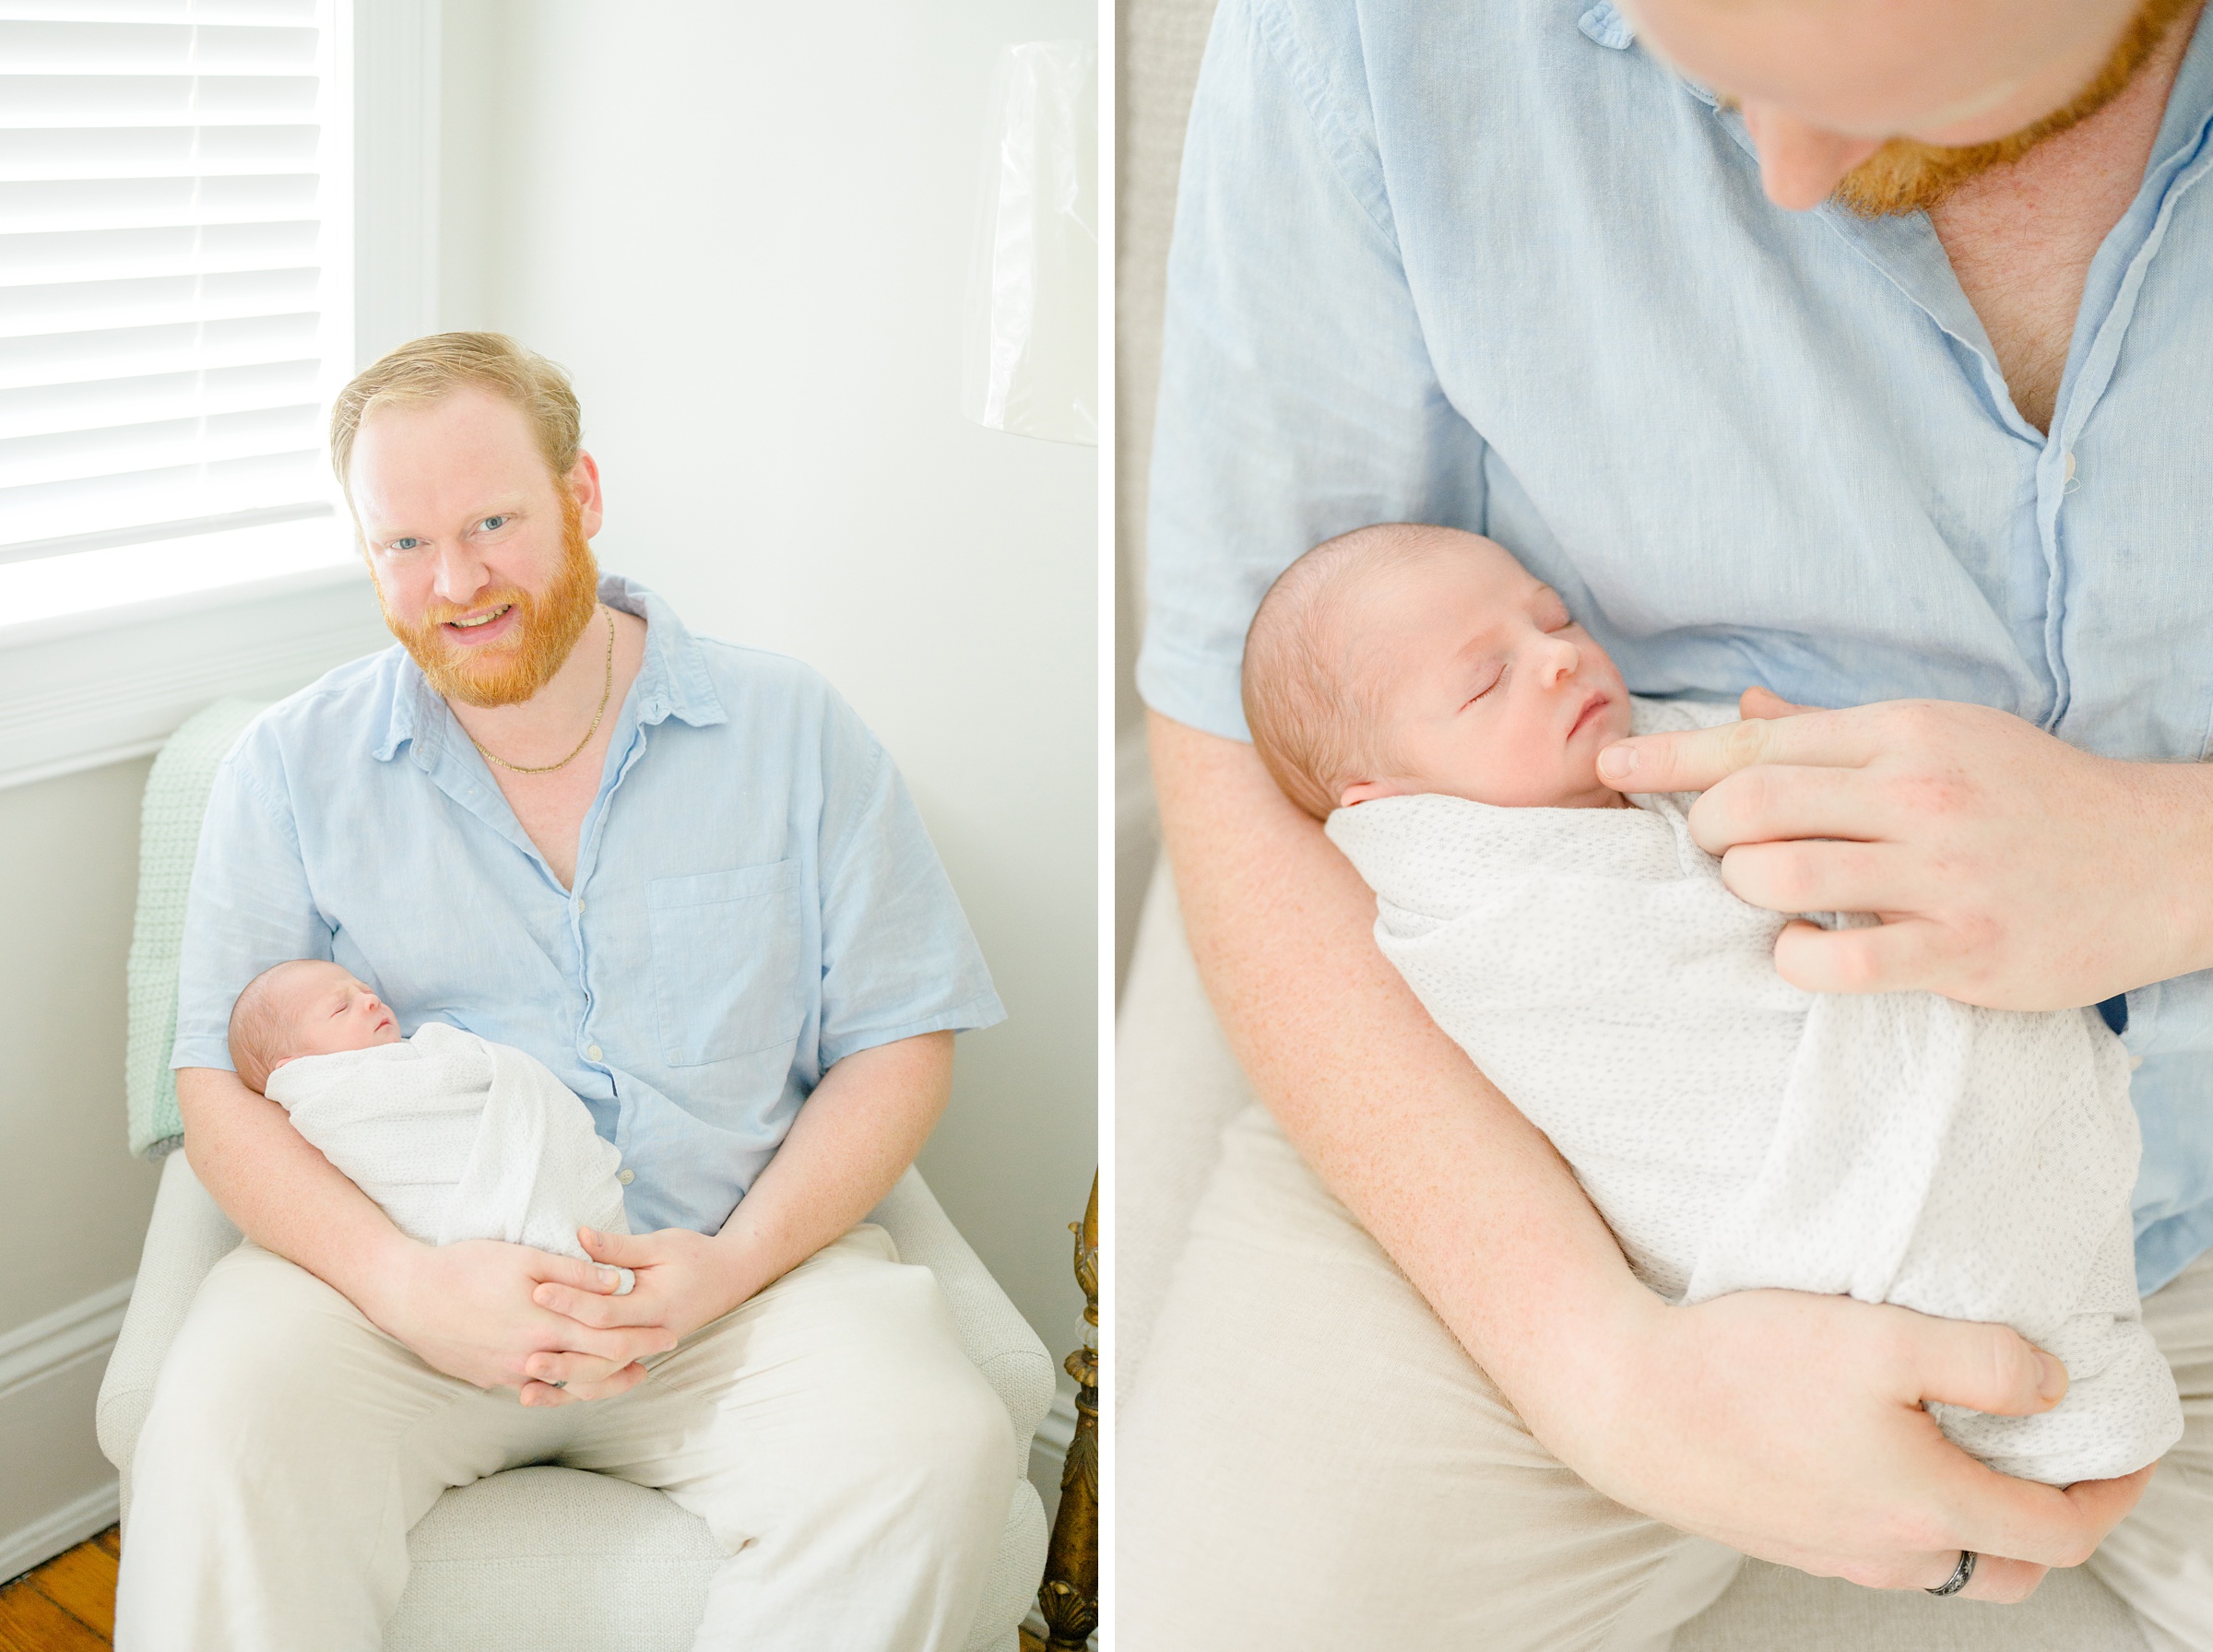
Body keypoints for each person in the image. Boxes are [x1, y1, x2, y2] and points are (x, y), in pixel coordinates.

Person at [1123, 0, 2213, 1644]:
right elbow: (1243, 744)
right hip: (1568, 1170)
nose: (1774, 171)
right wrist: (1603, 1369)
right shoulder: (1367, 43)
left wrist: (2173, 860)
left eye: (1876, 76)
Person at [115, 333, 1015, 1651]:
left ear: (581, 496)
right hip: (399, 1293)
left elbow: (898, 1040)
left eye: (493, 521)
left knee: (934, 1446)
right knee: (220, 1426)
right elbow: (217, 1090)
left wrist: (730, 1268)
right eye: (405, 545)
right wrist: (406, 1286)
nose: (457, 582)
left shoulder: (793, 731)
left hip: (730, 1290)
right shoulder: (288, 767)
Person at [1243, 522, 2179, 1485]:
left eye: (1552, 617)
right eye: (1485, 682)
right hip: (1787, 1196)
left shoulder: (1657, 749)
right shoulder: (1481, 916)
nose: (1560, 657)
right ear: (1386, 803)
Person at [229, 959, 638, 1288]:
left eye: (366, 992)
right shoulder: (330, 1101)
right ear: (296, 1070)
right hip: (454, 1247)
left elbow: (480, 1083)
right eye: (341, 1007)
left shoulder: (427, 1054)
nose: (370, 1002)